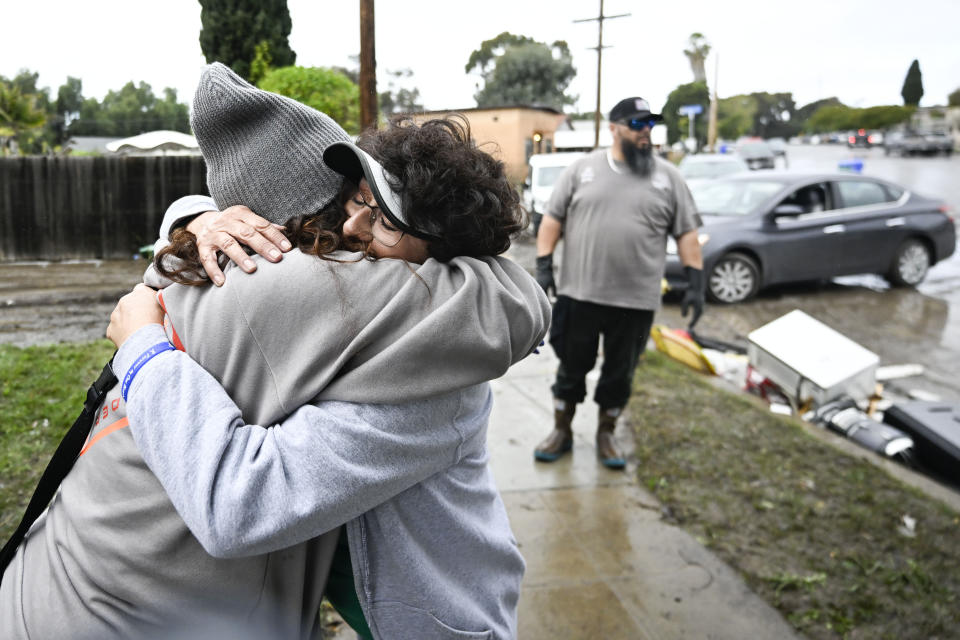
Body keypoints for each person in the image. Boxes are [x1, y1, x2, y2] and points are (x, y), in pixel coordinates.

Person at [0, 63, 549, 640]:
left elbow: (240, 504)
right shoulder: (345, 306)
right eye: (357, 197)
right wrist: (197, 217)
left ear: (445, 263)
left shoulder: (433, 368)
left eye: (385, 219)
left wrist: (143, 349)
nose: (352, 224)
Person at [532, 96, 704, 470]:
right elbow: (551, 221)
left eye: (650, 125)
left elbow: (688, 232)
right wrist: (544, 267)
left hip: (636, 300)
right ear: (614, 128)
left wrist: (696, 280)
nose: (646, 132)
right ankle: (561, 430)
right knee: (571, 367)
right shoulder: (581, 170)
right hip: (580, 293)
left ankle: (606, 434)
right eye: (637, 124)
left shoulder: (668, 177)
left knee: (619, 373)